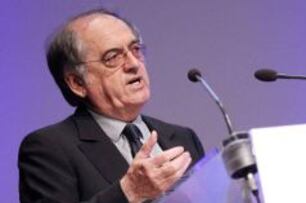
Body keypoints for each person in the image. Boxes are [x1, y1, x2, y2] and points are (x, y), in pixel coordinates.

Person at [18, 9, 204, 203]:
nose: (133, 64)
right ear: (77, 83)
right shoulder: (50, 149)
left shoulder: (183, 138)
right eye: (112, 57)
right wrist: (129, 191)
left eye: (135, 50)